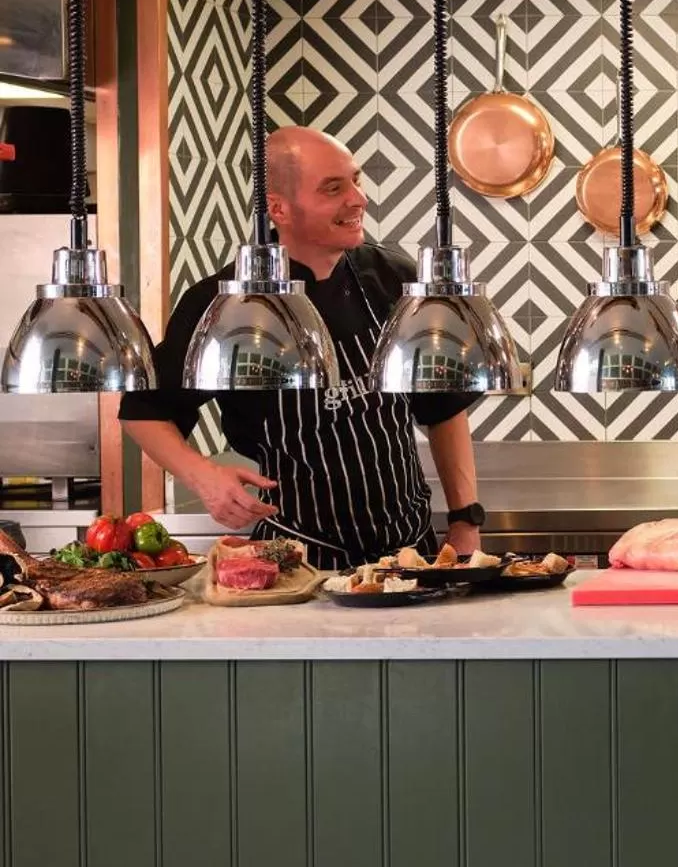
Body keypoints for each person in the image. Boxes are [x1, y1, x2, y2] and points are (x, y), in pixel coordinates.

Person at [119, 128, 487, 570]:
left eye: (355, 180)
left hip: (410, 551)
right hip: (299, 561)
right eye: (333, 188)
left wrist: (466, 519)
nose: (357, 199)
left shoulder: (393, 279)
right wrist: (203, 475)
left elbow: (443, 407)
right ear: (278, 208)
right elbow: (144, 410)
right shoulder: (226, 305)